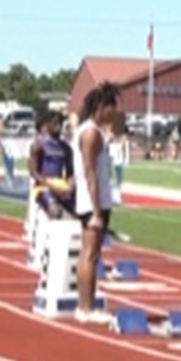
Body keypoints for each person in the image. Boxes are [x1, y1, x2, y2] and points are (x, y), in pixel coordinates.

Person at [71, 84, 121, 326]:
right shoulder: (90, 133)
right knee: (90, 255)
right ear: (102, 107)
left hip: (94, 201)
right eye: (112, 108)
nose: (115, 113)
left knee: (91, 254)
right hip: (93, 203)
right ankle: (86, 307)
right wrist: (97, 211)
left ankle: (86, 304)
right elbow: (91, 174)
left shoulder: (93, 131)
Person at [29, 110, 75, 220]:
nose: (58, 126)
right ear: (47, 124)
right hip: (43, 187)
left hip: (61, 185)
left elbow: (70, 172)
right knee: (55, 212)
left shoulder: (66, 148)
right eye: (55, 123)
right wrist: (51, 186)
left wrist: (70, 186)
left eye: (60, 123)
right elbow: (34, 172)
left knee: (81, 211)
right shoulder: (38, 145)